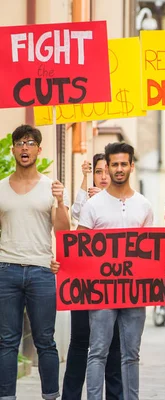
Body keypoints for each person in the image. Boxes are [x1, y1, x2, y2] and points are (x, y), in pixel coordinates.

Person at [77, 142, 155, 400]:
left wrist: (161, 269)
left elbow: (149, 252)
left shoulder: (144, 205)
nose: (119, 169)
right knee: (97, 351)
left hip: (134, 292)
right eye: (114, 164)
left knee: (131, 353)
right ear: (107, 167)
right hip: (101, 292)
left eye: (124, 164)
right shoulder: (93, 205)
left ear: (131, 166)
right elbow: (78, 246)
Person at [0, 125, 70, 400]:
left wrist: (61, 201)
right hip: (6, 269)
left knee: (45, 342)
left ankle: (50, 396)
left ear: (39, 149)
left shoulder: (49, 187)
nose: (24, 148)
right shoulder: (1, 188)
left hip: (41, 271)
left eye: (30, 143)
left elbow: (63, 231)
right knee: (7, 342)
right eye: (19, 143)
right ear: (13, 149)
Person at [62, 153, 122, 400]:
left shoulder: (125, 204)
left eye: (107, 170)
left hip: (114, 287)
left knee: (113, 346)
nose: (104, 176)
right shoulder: (84, 203)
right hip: (86, 284)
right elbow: (75, 240)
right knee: (80, 342)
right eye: (99, 171)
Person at [71, 154, 110, 220]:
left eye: (108, 172)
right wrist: (86, 176)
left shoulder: (122, 198)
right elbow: (76, 212)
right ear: (93, 175)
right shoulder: (90, 195)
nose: (103, 177)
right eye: (98, 172)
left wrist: (103, 197)